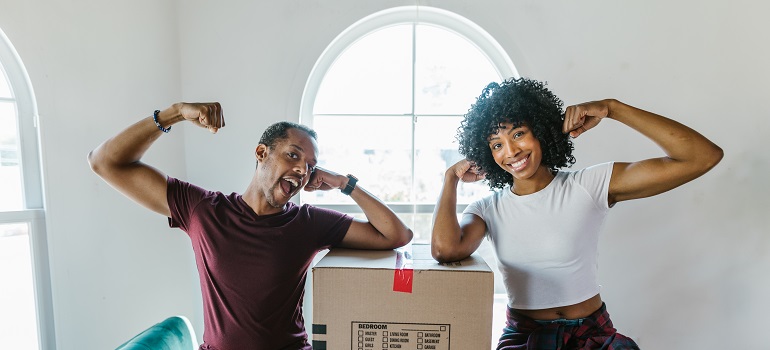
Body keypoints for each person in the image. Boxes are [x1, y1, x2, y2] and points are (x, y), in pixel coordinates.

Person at [88, 102, 413, 350]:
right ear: (261, 152)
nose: (302, 170)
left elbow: (397, 235)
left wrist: (344, 182)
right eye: (293, 155)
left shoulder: (308, 223)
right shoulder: (203, 210)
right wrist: (174, 113)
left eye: (310, 166)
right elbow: (104, 162)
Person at [431, 78, 722, 349]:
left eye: (518, 134)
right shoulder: (486, 209)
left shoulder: (588, 185)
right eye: (497, 145)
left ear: (540, 130)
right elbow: (445, 249)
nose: (511, 152)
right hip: (526, 338)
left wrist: (613, 108)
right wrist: (450, 179)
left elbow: (701, 157)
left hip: (593, 334)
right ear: (488, 155)